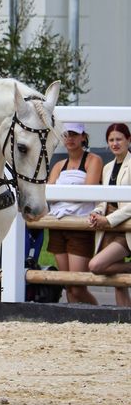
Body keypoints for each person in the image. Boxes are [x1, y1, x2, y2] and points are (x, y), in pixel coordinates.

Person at [45, 122, 103, 305]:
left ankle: (99, 315)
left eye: (74, 134)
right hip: (58, 224)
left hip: (79, 226)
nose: (69, 138)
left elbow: (88, 192)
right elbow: (48, 194)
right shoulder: (59, 165)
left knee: (78, 286)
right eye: (66, 135)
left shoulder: (93, 160)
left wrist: (62, 194)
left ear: (83, 137)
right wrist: (70, 192)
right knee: (68, 286)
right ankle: (75, 322)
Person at [88, 122, 131, 307]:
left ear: (128, 140)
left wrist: (109, 219)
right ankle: (124, 317)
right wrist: (97, 213)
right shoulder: (107, 167)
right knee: (118, 284)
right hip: (107, 226)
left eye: (119, 139)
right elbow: (103, 200)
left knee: (96, 266)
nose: (115, 143)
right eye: (111, 140)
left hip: (124, 226)